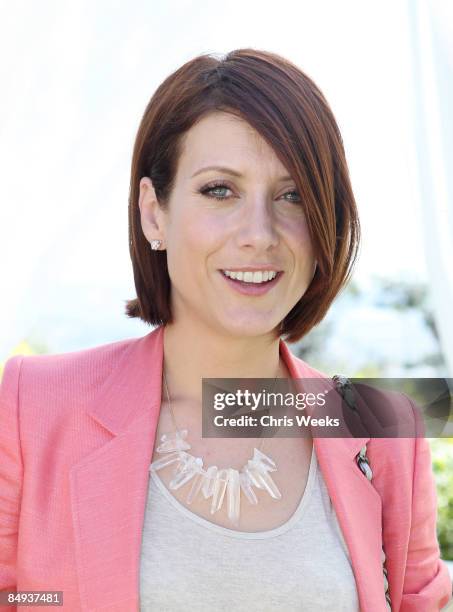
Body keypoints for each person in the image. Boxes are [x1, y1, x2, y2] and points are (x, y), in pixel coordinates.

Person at [0, 48, 451, 612]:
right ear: (153, 212)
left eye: (292, 195)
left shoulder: (384, 427)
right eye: (220, 190)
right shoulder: (32, 406)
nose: (259, 234)